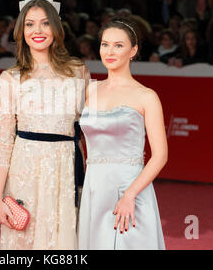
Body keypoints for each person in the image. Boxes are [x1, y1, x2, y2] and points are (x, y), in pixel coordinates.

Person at [0, 0, 90, 250]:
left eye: (46, 23)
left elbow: (89, 129)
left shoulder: (77, 71)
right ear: (21, 30)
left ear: (57, 28)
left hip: (66, 169)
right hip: (24, 171)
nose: (38, 30)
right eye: (30, 24)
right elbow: (2, 141)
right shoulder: (9, 78)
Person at [78, 17, 167, 250]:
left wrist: (130, 195)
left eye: (118, 45)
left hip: (130, 189)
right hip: (94, 189)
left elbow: (160, 156)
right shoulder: (90, 90)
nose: (110, 51)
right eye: (105, 44)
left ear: (133, 50)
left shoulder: (146, 96)